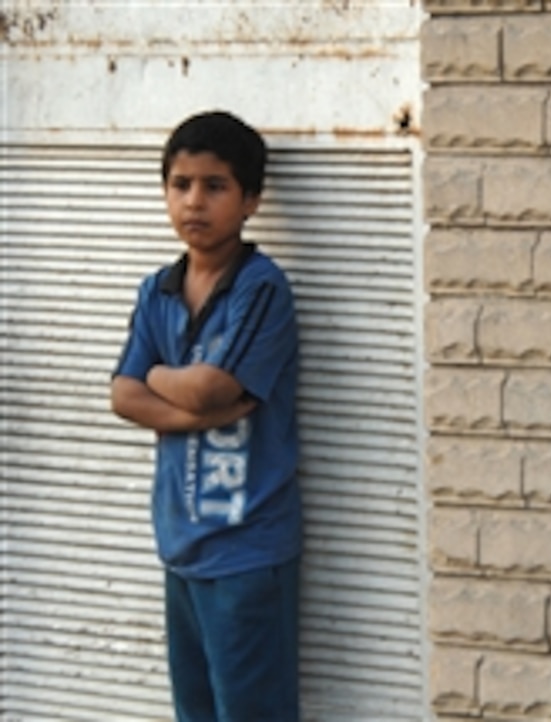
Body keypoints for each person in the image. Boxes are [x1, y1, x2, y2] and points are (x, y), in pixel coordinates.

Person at [111, 110, 302, 722]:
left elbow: (215, 389)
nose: (194, 202)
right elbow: (123, 394)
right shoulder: (157, 290)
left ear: (250, 200)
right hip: (181, 548)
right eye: (181, 184)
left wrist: (164, 382)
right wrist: (185, 402)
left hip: (246, 554)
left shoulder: (260, 287)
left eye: (215, 186)